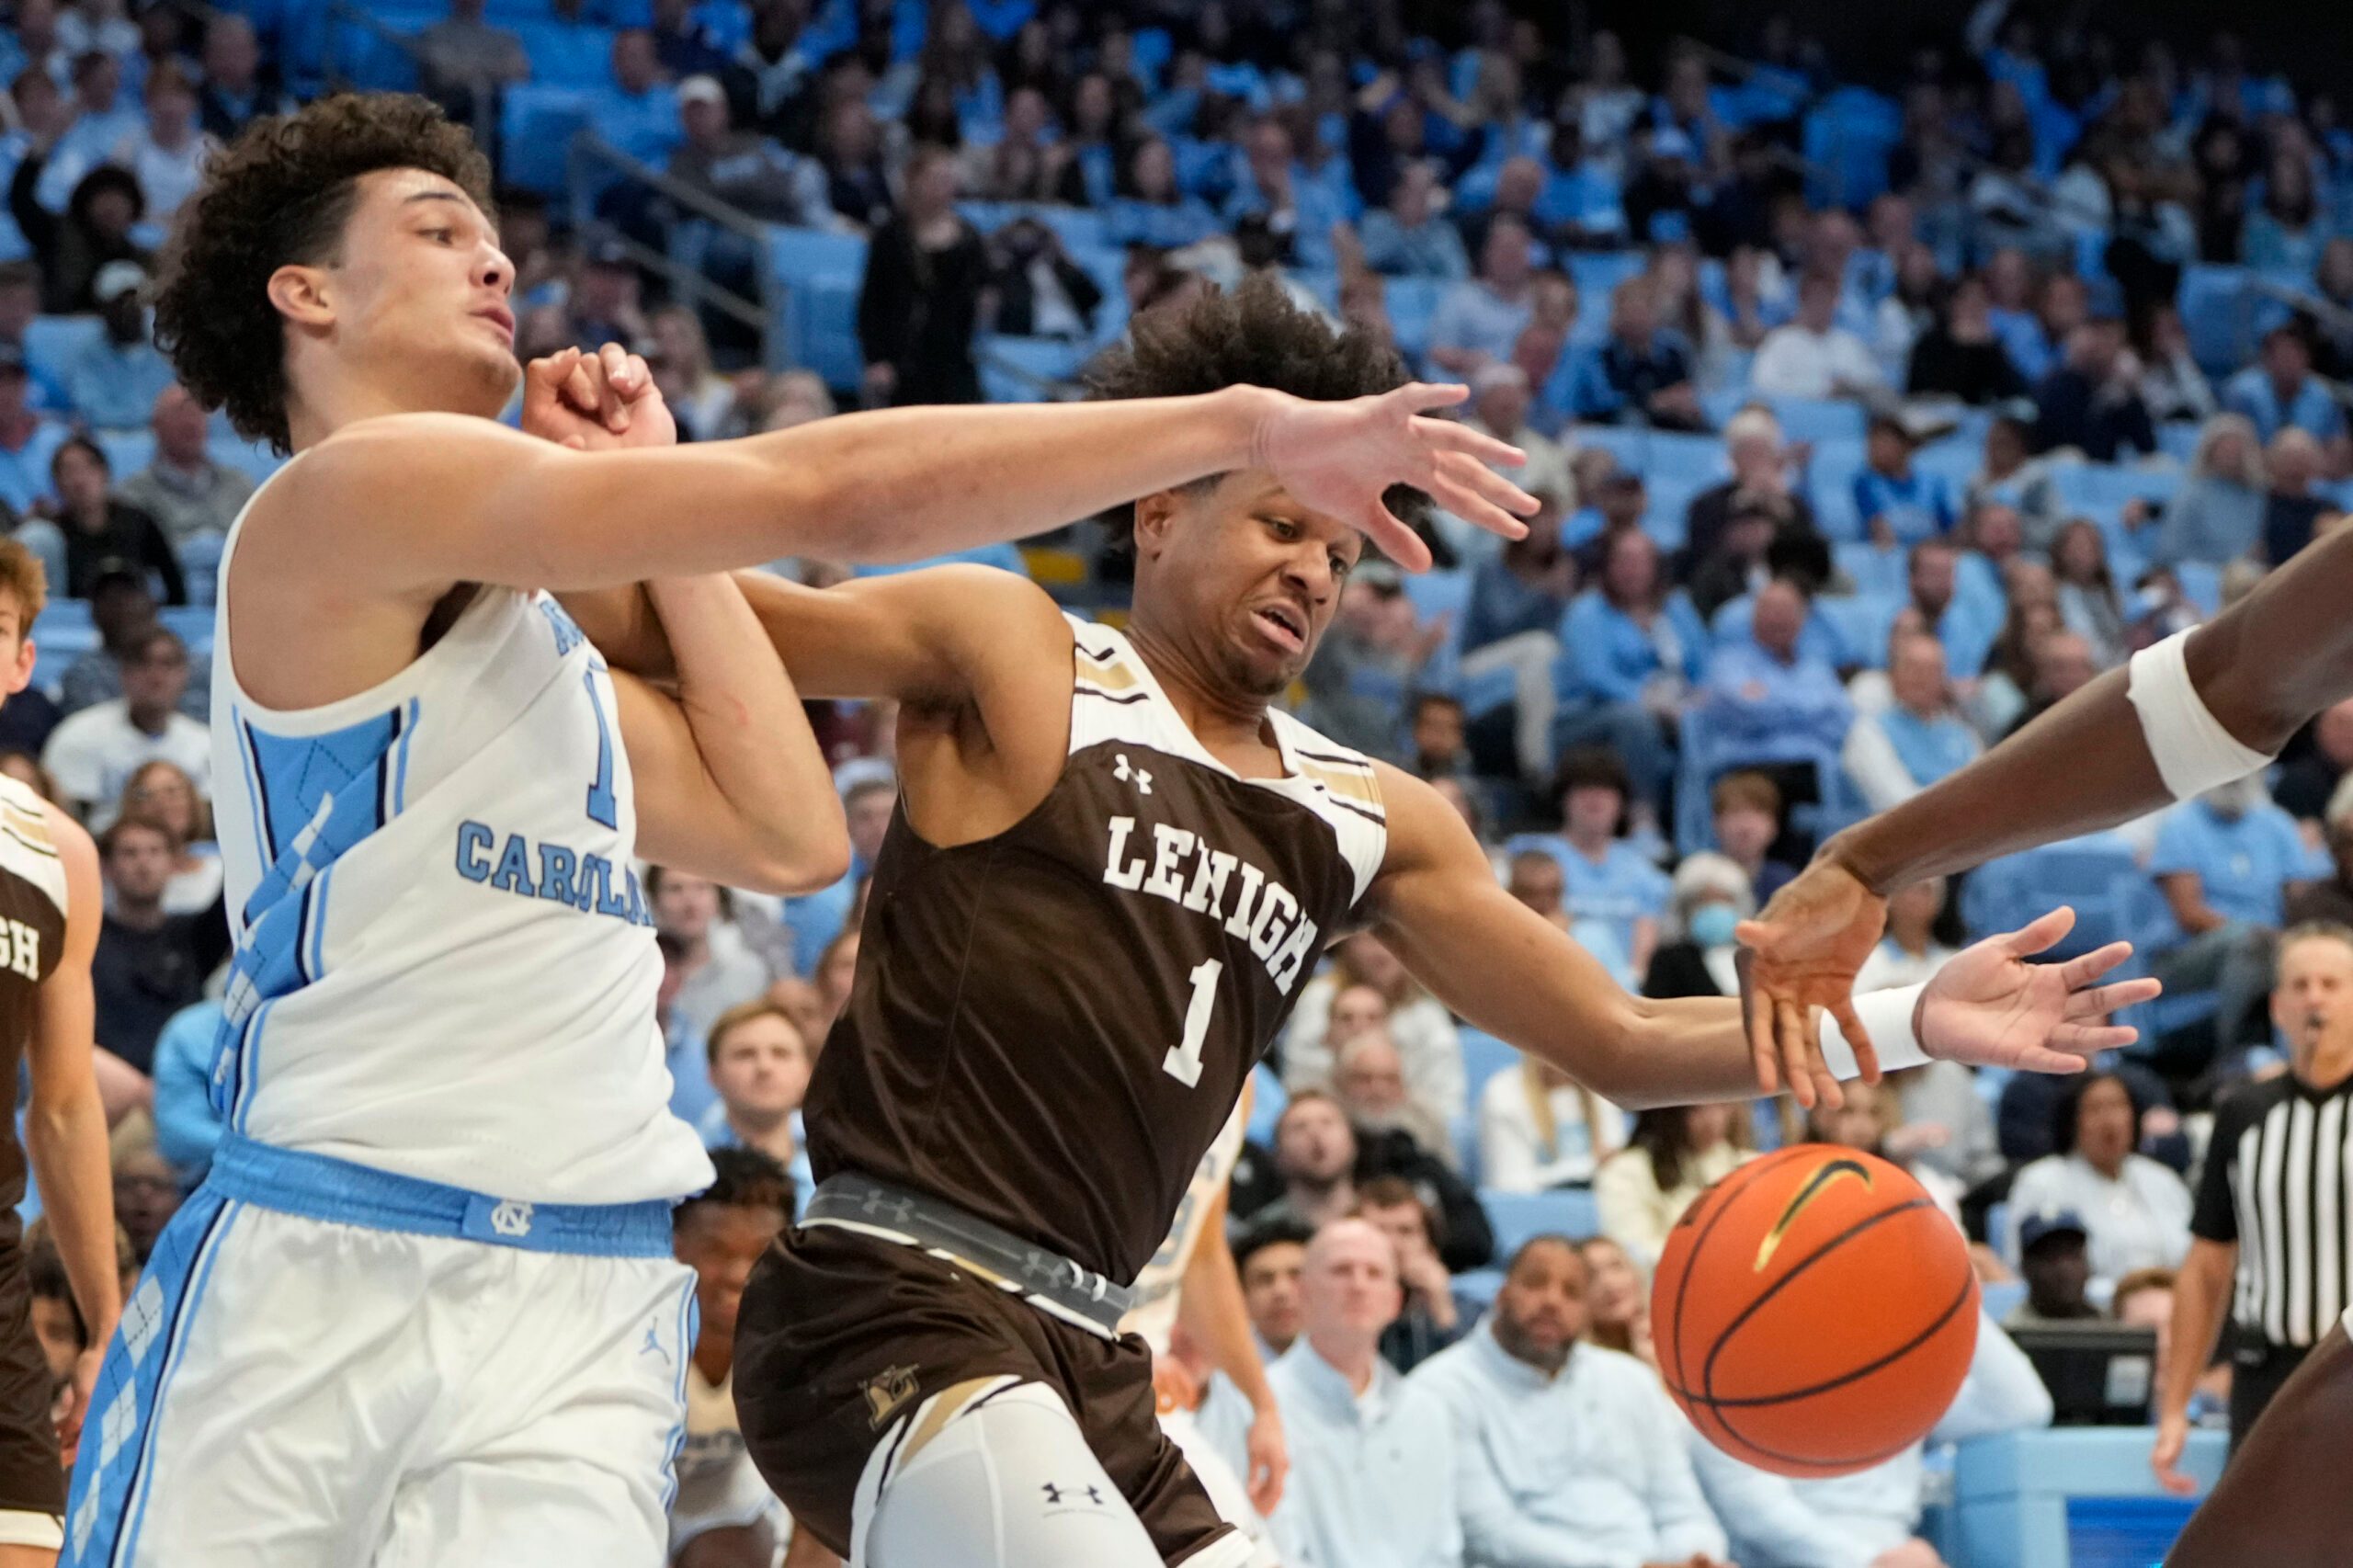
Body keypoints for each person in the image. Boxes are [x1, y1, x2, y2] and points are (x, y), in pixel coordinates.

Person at [69, 91, 1521, 1568]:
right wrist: (1247, 423)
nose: (497, 263)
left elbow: (788, 835)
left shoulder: (542, 643)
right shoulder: (342, 496)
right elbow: (822, 491)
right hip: (333, 1238)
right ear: (303, 292)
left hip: (575, 1286)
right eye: (440, 234)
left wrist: (656, 504)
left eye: (500, 239)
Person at [720, 276, 2137, 1568]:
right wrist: (617, 481)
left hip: (1089, 1347)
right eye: (1281, 525)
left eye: (1340, 556)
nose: (1315, 575)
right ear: (1158, 509)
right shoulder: (1018, 650)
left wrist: (1910, 1021)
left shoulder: (1373, 812)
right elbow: (718, 618)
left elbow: (1626, 1040)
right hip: (890, 1289)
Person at [0, 536, 119, 1557]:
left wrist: (103, 1319)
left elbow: (68, 1106)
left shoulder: (56, 852)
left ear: (22, 663)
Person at [2154, 925, 2353, 1482]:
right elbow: (2206, 1268)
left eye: (2332, 983)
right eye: (2301, 984)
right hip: (2267, 1376)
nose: (2315, 997)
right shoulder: (2244, 1114)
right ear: (2278, 1007)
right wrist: (2175, 1408)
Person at [1411, 1235, 1733, 1568]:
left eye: (1572, 1292)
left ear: (1588, 1313)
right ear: (1502, 1293)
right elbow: (1490, 1534)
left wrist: (1697, 1556)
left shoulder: (1629, 1380)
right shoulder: (1441, 1389)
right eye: (1535, 1283)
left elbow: (1682, 1510)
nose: (1552, 1301)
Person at [1122, 1086, 1285, 1567]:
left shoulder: (1241, 1084)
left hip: (1142, 1385)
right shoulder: (1106, 1029)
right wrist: (1110, 1351)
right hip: (1056, 1359)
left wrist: (1263, 1405)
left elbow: (1202, 1254)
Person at [1263, 1220, 1463, 1568]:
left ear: (1395, 1301)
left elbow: (1443, 1548)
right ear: (1303, 1292)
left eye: (1374, 1273)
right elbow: (1273, 1551)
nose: (1358, 1285)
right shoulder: (1260, 1405)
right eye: (1341, 1270)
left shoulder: (1427, 1412)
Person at [667, 1147, 810, 1568]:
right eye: (716, 1250)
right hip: (621, 1504)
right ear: (674, 1247)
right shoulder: (630, 1335)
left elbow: (816, 1509)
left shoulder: (795, 1345)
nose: (737, 1275)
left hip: (721, 1512)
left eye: (759, 1254)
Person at [2147, 775, 2328, 1061]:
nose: (2235, 778)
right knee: (2251, 944)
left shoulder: (2277, 824)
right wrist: (2258, 934)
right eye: (2228, 772)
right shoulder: (2180, 826)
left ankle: (2311, 1057)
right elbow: (2190, 914)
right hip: (2189, 956)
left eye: (2243, 772)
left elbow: (2300, 899)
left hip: (2273, 944)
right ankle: (2232, 1056)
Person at [2007, 1072, 2193, 1285]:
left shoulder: (2162, 1179)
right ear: (2072, 1121)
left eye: (2118, 1106)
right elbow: (2020, 1269)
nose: (2109, 1121)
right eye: (2095, 1109)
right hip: (2080, 1314)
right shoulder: (2041, 1181)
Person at [88, 813, 225, 1080]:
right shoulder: (86, 938)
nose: (143, 863)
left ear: (174, 864)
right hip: (109, 1091)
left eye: (155, 852)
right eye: (130, 853)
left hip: (186, 1091)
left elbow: (237, 894)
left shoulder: (195, 935)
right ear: (106, 867)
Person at [1281, 931, 1464, 1125]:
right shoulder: (1318, 997)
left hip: (1409, 1123)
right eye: (1369, 939)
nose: (1380, 951)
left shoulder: (1428, 1013)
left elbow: (1447, 1102)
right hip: (1330, 1122)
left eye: (1392, 940)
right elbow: (1299, 1086)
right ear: (1345, 941)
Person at [855, 146, 986, 406]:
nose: (942, 187)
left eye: (947, 179)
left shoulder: (969, 238)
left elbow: (976, 297)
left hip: (953, 357)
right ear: (914, 182)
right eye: (934, 179)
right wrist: (876, 358)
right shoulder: (890, 236)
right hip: (901, 356)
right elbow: (872, 302)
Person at [40, 627, 207, 828]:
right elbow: (62, 818)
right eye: (143, 664)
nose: (156, 676)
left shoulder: (206, 743)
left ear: (185, 674)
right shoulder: (78, 735)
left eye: (168, 664)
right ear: (124, 673)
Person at [21, 437, 183, 607]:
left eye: (88, 468)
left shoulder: (138, 522)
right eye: (68, 471)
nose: (79, 480)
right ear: (57, 484)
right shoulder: (53, 535)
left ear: (104, 473)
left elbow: (173, 582)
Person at [1594, 1104, 1751, 1268]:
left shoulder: (1749, 1163)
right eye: (1696, 1109)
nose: (1714, 1120)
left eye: (1722, 1106)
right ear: (1666, 1111)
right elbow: (1633, 1254)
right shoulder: (1624, 1172)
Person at [1842, 632, 1983, 813]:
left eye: (1932, 670)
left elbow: (1982, 791)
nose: (1921, 678)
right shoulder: (1868, 731)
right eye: (1912, 668)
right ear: (1893, 675)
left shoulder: (1963, 734)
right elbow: (1895, 802)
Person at [111, 383, 256, 552]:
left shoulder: (239, 486)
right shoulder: (132, 497)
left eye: (196, 414)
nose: (190, 423)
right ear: (156, 426)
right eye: (179, 413)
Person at [1353, 1176, 1473, 1373]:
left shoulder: (1469, 1313)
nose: (1392, 1244)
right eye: (1378, 1230)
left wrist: (1443, 1312)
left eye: (1406, 1231)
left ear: (1431, 1249)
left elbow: (1478, 1387)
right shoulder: (1337, 1307)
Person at [699, 999, 813, 1193]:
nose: (764, 1067)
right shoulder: (687, 1163)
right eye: (745, 1054)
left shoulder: (839, 1159)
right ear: (713, 1074)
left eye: (781, 1053)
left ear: (807, 1072)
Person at [1477, 1054, 1626, 1192]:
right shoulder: (1503, 1095)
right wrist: (1588, 1166)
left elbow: (1618, 1166)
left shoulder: (1602, 1088)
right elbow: (1510, 1186)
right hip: (1532, 1213)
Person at [59, 261, 173, 432]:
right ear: (103, 309)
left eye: (136, 301)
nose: (130, 309)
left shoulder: (166, 350)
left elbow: (179, 400)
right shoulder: (86, 356)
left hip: (166, 437)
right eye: (120, 303)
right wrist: (150, 418)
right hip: (111, 439)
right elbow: (93, 410)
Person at [1750, 269, 1884, 400]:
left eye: (1827, 297)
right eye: (1816, 297)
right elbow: (1763, 385)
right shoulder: (1780, 340)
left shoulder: (1849, 344)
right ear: (1802, 299)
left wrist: (1849, 387)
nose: (1822, 304)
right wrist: (1821, 389)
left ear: (1836, 301)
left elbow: (1873, 384)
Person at [1642, 851, 1753, 1001]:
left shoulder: (1756, 958)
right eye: (1705, 901)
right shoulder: (1669, 960)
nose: (1715, 908)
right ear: (1685, 908)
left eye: (1724, 900)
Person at [2222, 325, 2347, 449]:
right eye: (2283, 356)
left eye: (2295, 355)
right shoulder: (2244, 392)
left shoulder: (2323, 397)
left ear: (2307, 358)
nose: (2289, 363)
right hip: (2256, 465)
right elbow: (2232, 445)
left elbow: (2337, 446)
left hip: (2311, 466)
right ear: (2266, 359)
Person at [1234, 1219, 1312, 1363]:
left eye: (1296, 1275)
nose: (1281, 1291)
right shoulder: (1219, 1376)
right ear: (1243, 1296)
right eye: (1265, 1280)